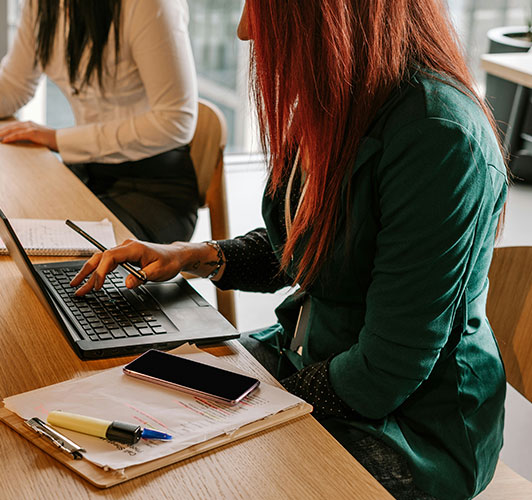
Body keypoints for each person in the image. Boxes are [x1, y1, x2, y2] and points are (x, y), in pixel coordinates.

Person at [69, 1, 508, 499]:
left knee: (194, 474)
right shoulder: (347, 94)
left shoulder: (439, 137)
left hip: (409, 427)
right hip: (313, 360)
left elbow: (387, 369)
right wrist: (192, 255)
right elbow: (308, 247)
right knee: (135, 390)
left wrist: (249, 408)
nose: (243, 29)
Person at [0, 0, 198, 244]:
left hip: (155, 187)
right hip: (87, 173)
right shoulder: (43, 6)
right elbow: (12, 85)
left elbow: (176, 121)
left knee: (59, 268)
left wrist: (57, 139)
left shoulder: (150, 5)